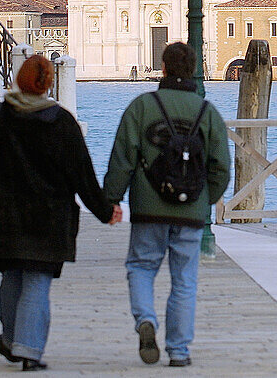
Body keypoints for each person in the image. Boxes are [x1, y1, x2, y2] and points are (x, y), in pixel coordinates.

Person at [0, 55, 120, 371]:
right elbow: (83, 176)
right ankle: (28, 349)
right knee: (37, 279)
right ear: (48, 83)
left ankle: (11, 340)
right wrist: (105, 210)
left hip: (4, 214)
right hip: (50, 217)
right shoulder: (61, 122)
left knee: (11, 275)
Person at [104, 41, 230, 368]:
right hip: (191, 211)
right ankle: (179, 351)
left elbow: (122, 160)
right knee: (185, 280)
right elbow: (221, 169)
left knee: (142, 267)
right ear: (194, 69)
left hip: (148, 208)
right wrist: (204, 200)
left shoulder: (141, 107)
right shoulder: (209, 113)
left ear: (163, 67)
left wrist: (111, 199)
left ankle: (146, 319)